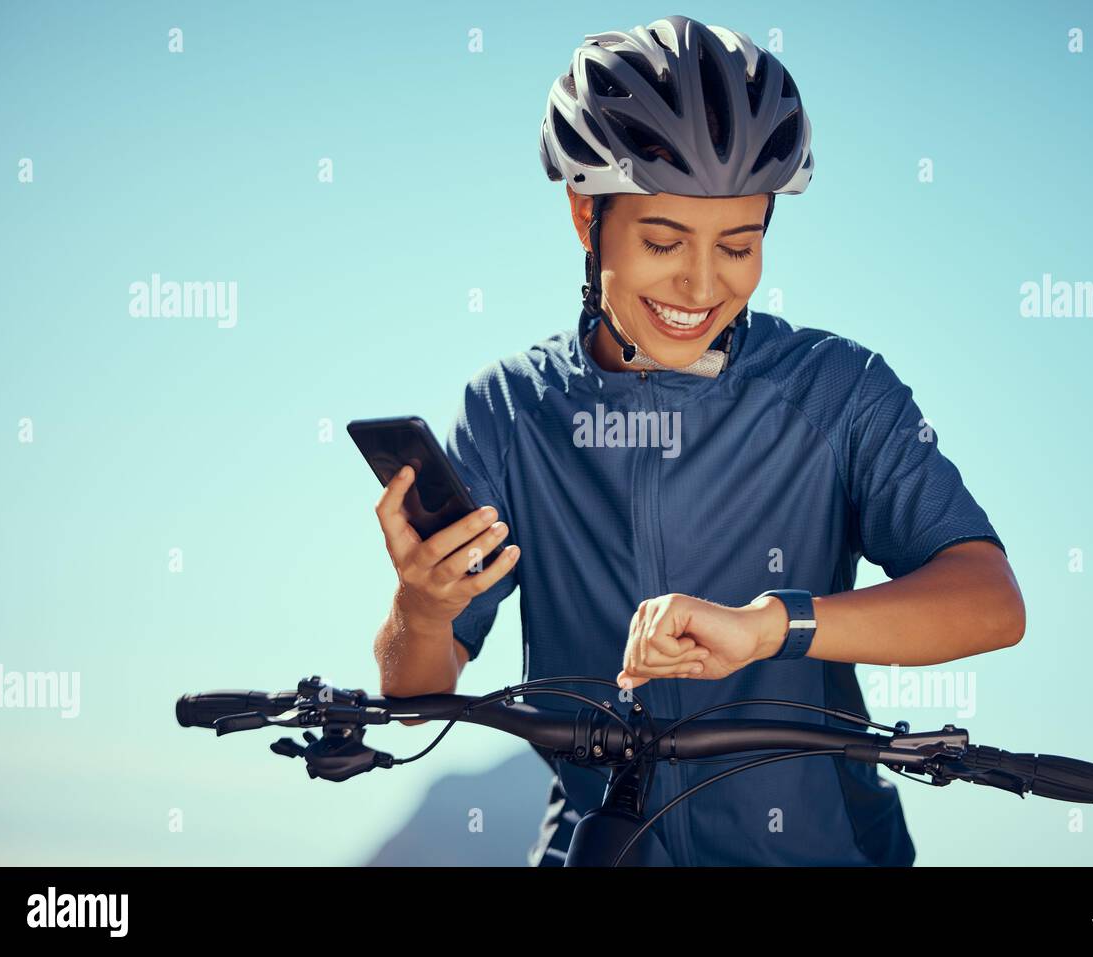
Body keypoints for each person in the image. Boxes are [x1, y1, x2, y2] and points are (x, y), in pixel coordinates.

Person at [372, 14, 1025, 867]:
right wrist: (419, 608)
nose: (702, 283)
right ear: (584, 214)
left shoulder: (837, 389)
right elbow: (419, 695)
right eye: (662, 240)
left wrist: (774, 625)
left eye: (740, 245)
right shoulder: (508, 410)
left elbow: (990, 601)